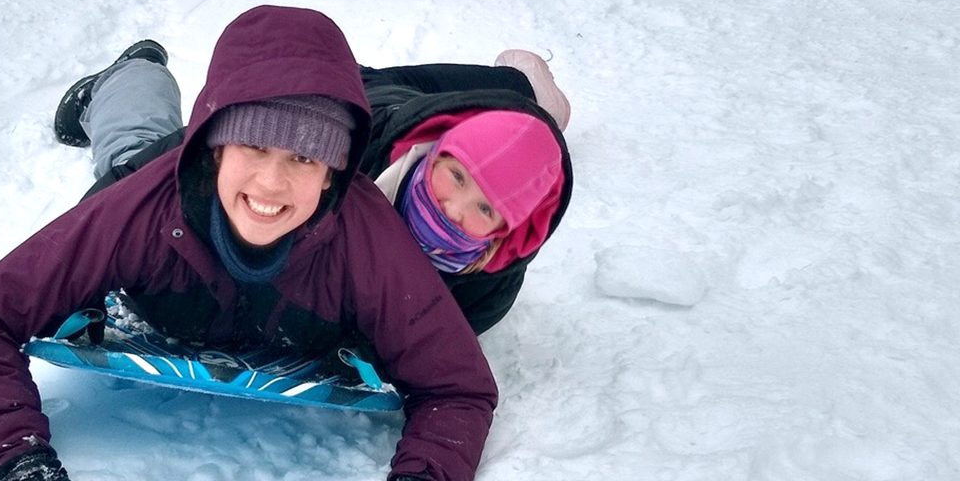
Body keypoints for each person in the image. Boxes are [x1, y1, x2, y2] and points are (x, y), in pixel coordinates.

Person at [0, 5, 499, 481]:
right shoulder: (138, 209)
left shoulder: (365, 238)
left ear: (333, 173)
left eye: (304, 158)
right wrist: (20, 466)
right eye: (253, 147)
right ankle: (130, 73)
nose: (271, 184)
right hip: (151, 173)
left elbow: (457, 386)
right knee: (131, 143)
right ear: (215, 148)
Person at [55, 39, 575, 335]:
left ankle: (529, 99)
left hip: (428, 116)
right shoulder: (324, 146)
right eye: (454, 178)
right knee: (140, 156)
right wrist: (85, 279)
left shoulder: (490, 280)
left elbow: (431, 338)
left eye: (484, 208)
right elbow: (143, 179)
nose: (451, 208)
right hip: (358, 96)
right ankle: (130, 75)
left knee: (540, 120)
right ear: (433, 153)